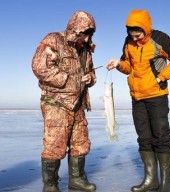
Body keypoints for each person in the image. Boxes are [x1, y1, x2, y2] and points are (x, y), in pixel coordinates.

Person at [106, 10, 170, 192]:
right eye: (131, 35)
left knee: (161, 138)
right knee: (144, 138)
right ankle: (151, 180)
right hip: (137, 97)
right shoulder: (128, 42)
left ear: (145, 28)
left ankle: (165, 185)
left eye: (138, 35)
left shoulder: (159, 38)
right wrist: (118, 64)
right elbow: (128, 67)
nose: (134, 38)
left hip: (157, 96)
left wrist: (162, 77)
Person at [32, 11, 97, 192]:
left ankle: (76, 179)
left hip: (78, 104)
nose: (86, 39)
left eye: (89, 35)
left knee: (81, 144)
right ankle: (50, 185)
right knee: (54, 146)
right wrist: (71, 80)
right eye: (83, 34)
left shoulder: (85, 50)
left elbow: (92, 73)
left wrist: (90, 78)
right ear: (75, 29)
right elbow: (40, 68)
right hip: (57, 104)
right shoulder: (53, 40)